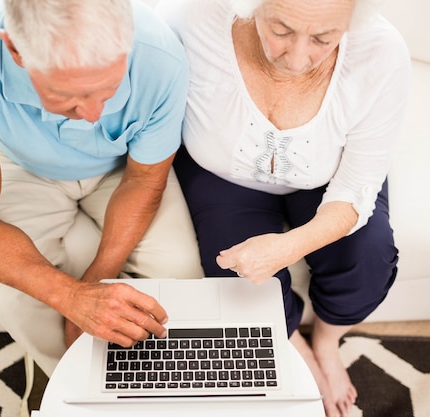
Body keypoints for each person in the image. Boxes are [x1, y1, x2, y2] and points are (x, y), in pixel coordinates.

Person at [0, 0, 203, 377]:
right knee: (4, 292)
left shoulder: (161, 56)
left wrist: (96, 281)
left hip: (125, 170)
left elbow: (144, 179)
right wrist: (70, 298)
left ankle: (152, 386)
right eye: (66, 98)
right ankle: (67, 381)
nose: (91, 115)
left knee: (179, 268)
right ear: (15, 50)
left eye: (108, 90)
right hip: (21, 166)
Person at [156, 0, 410, 415]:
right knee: (231, 273)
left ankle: (327, 341)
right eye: (281, 30)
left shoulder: (383, 53)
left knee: (369, 256)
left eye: (322, 39)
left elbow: (355, 190)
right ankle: (295, 346)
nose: (296, 59)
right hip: (223, 176)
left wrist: (286, 248)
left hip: (330, 176)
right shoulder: (196, 18)